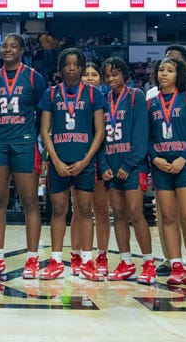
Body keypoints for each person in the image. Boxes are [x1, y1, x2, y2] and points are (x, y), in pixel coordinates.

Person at [38, 47, 106, 281]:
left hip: (84, 161)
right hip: (58, 161)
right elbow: (44, 131)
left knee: (85, 211)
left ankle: (87, 261)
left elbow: (100, 131)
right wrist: (54, 159)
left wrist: (86, 160)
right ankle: (56, 260)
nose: (71, 68)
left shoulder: (93, 94)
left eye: (76, 64)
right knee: (58, 211)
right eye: (67, 64)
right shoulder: (50, 93)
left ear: (81, 67)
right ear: (60, 67)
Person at [0, 34, 46, 278]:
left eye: (13, 46)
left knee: (30, 201)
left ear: (22, 50)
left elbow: (43, 113)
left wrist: (35, 138)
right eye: (4, 46)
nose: (7, 49)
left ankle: (32, 258)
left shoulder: (34, 77)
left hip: (25, 143)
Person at [146, 45, 186, 275]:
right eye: (161, 69)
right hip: (162, 167)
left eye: (169, 70)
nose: (163, 73)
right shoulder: (151, 101)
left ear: (180, 73)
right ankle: (175, 264)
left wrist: (184, 158)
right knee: (168, 218)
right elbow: (147, 137)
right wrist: (155, 159)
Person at [99, 57, 156, 284]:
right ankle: (125, 262)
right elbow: (99, 137)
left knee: (135, 212)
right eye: (108, 75)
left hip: (133, 166)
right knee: (118, 215)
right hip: (110, 167)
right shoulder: (103, 101)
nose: (111, 78)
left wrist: (128, 164)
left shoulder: (136, 96)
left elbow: (141, 135)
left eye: (115, 74)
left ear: (124, 74)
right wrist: (103, 165)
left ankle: (149, 262)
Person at [78, 62, 111, 276]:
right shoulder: (74, 99)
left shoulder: (108, 101)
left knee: (100, 210)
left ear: (101, 78)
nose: (90, 78)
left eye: (94, 74)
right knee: (81, 211)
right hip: (80, 159)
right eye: (85, 75)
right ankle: (80, 255)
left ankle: (102, 255)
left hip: (101, 159)